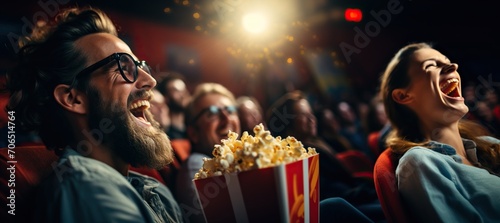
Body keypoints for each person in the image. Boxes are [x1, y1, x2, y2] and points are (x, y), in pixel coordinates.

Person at [6, 7, 183, 222]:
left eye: (140, 65)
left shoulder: (155, 191)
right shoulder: (86, 187)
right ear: (73, 99)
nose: (150, 81)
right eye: (122, 66)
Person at [380, 42, 500, 222]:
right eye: (431, 65)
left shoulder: (489, 143)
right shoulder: (420, 162)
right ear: (403, 96)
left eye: (448, 61)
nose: (453, 66)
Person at [265, 91, 383, 222]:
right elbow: (334, 192)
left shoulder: (316, 144)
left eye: (311, 113)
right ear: (288, 124)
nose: (311, 118)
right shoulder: (299, 157)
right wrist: (373, 190)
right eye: (303, 115)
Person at [175, 82, 241, 223]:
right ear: (194, 133)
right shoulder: (198, 166)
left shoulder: (243, 159)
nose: (226, 118)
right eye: (212, 113)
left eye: (230, 110)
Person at [157, 72, 191, 139]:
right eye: (176, 90)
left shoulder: (193, 127)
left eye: (184, 90)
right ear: (165, 96)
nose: (183, 94)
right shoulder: (163, 132)